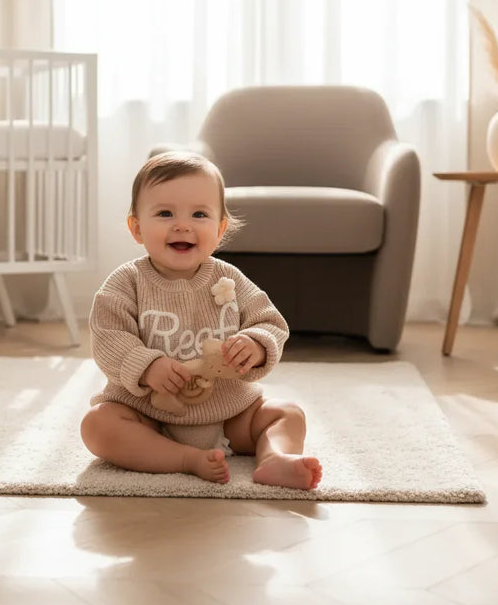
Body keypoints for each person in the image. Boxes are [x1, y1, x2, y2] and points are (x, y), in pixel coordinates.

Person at [80, 151, 322, 490]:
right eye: (165, 213)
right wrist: (147, 367)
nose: (183, 225)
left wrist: (254, 344)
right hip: (148, 416)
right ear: (137, 228)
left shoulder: (229, 278)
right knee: (97, 425)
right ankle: (182, 458)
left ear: (220, 229)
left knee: (287, 412)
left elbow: (270, 322)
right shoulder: (126, 282)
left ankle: (275, 458)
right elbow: (108, 337)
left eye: (199, 214)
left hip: (231, 415)